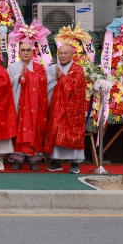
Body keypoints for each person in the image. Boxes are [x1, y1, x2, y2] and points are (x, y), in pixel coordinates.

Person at [45, 44, 88, 174]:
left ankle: (75, 163)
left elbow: (76, 86)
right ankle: (56, 161)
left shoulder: (78, 69)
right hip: (57, 105)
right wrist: (56, 79)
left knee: (72, 133)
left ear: (71, 55)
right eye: (61, 53)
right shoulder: (53, 68)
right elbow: (47, 83)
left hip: (73, 107)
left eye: (66, 53)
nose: (63, 55)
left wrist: (62, 78)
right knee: (56, 131)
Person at [6, 42, 48, 170]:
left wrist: (30, 75)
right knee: (18, 127)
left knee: (34, 128)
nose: (25, 52)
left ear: (32, 52)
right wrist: (19, 76)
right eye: (23, 50)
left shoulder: (38, 68)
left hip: (34, 105)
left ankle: (33, 160)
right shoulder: (12, 67)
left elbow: (43, 83)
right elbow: (7, 83)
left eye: (28, 50)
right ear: (18, 52)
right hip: (18, 101)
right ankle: (17, 159)